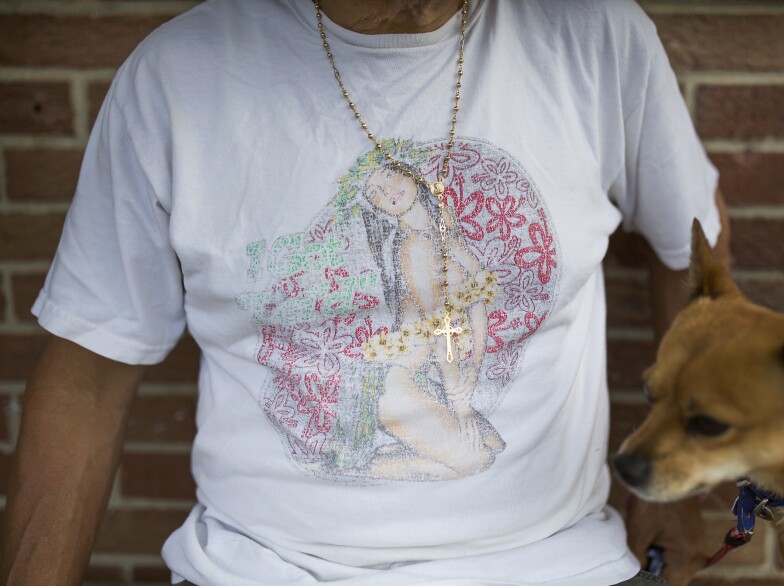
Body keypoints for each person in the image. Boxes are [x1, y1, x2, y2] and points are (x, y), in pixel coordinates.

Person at [0, 0, 731, 585]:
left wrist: (679, 489)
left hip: (554, 561)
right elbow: (89, 377)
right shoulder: (178, 77)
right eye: (377, 193)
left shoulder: (596, 35)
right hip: (264, 567)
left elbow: (690, 250)